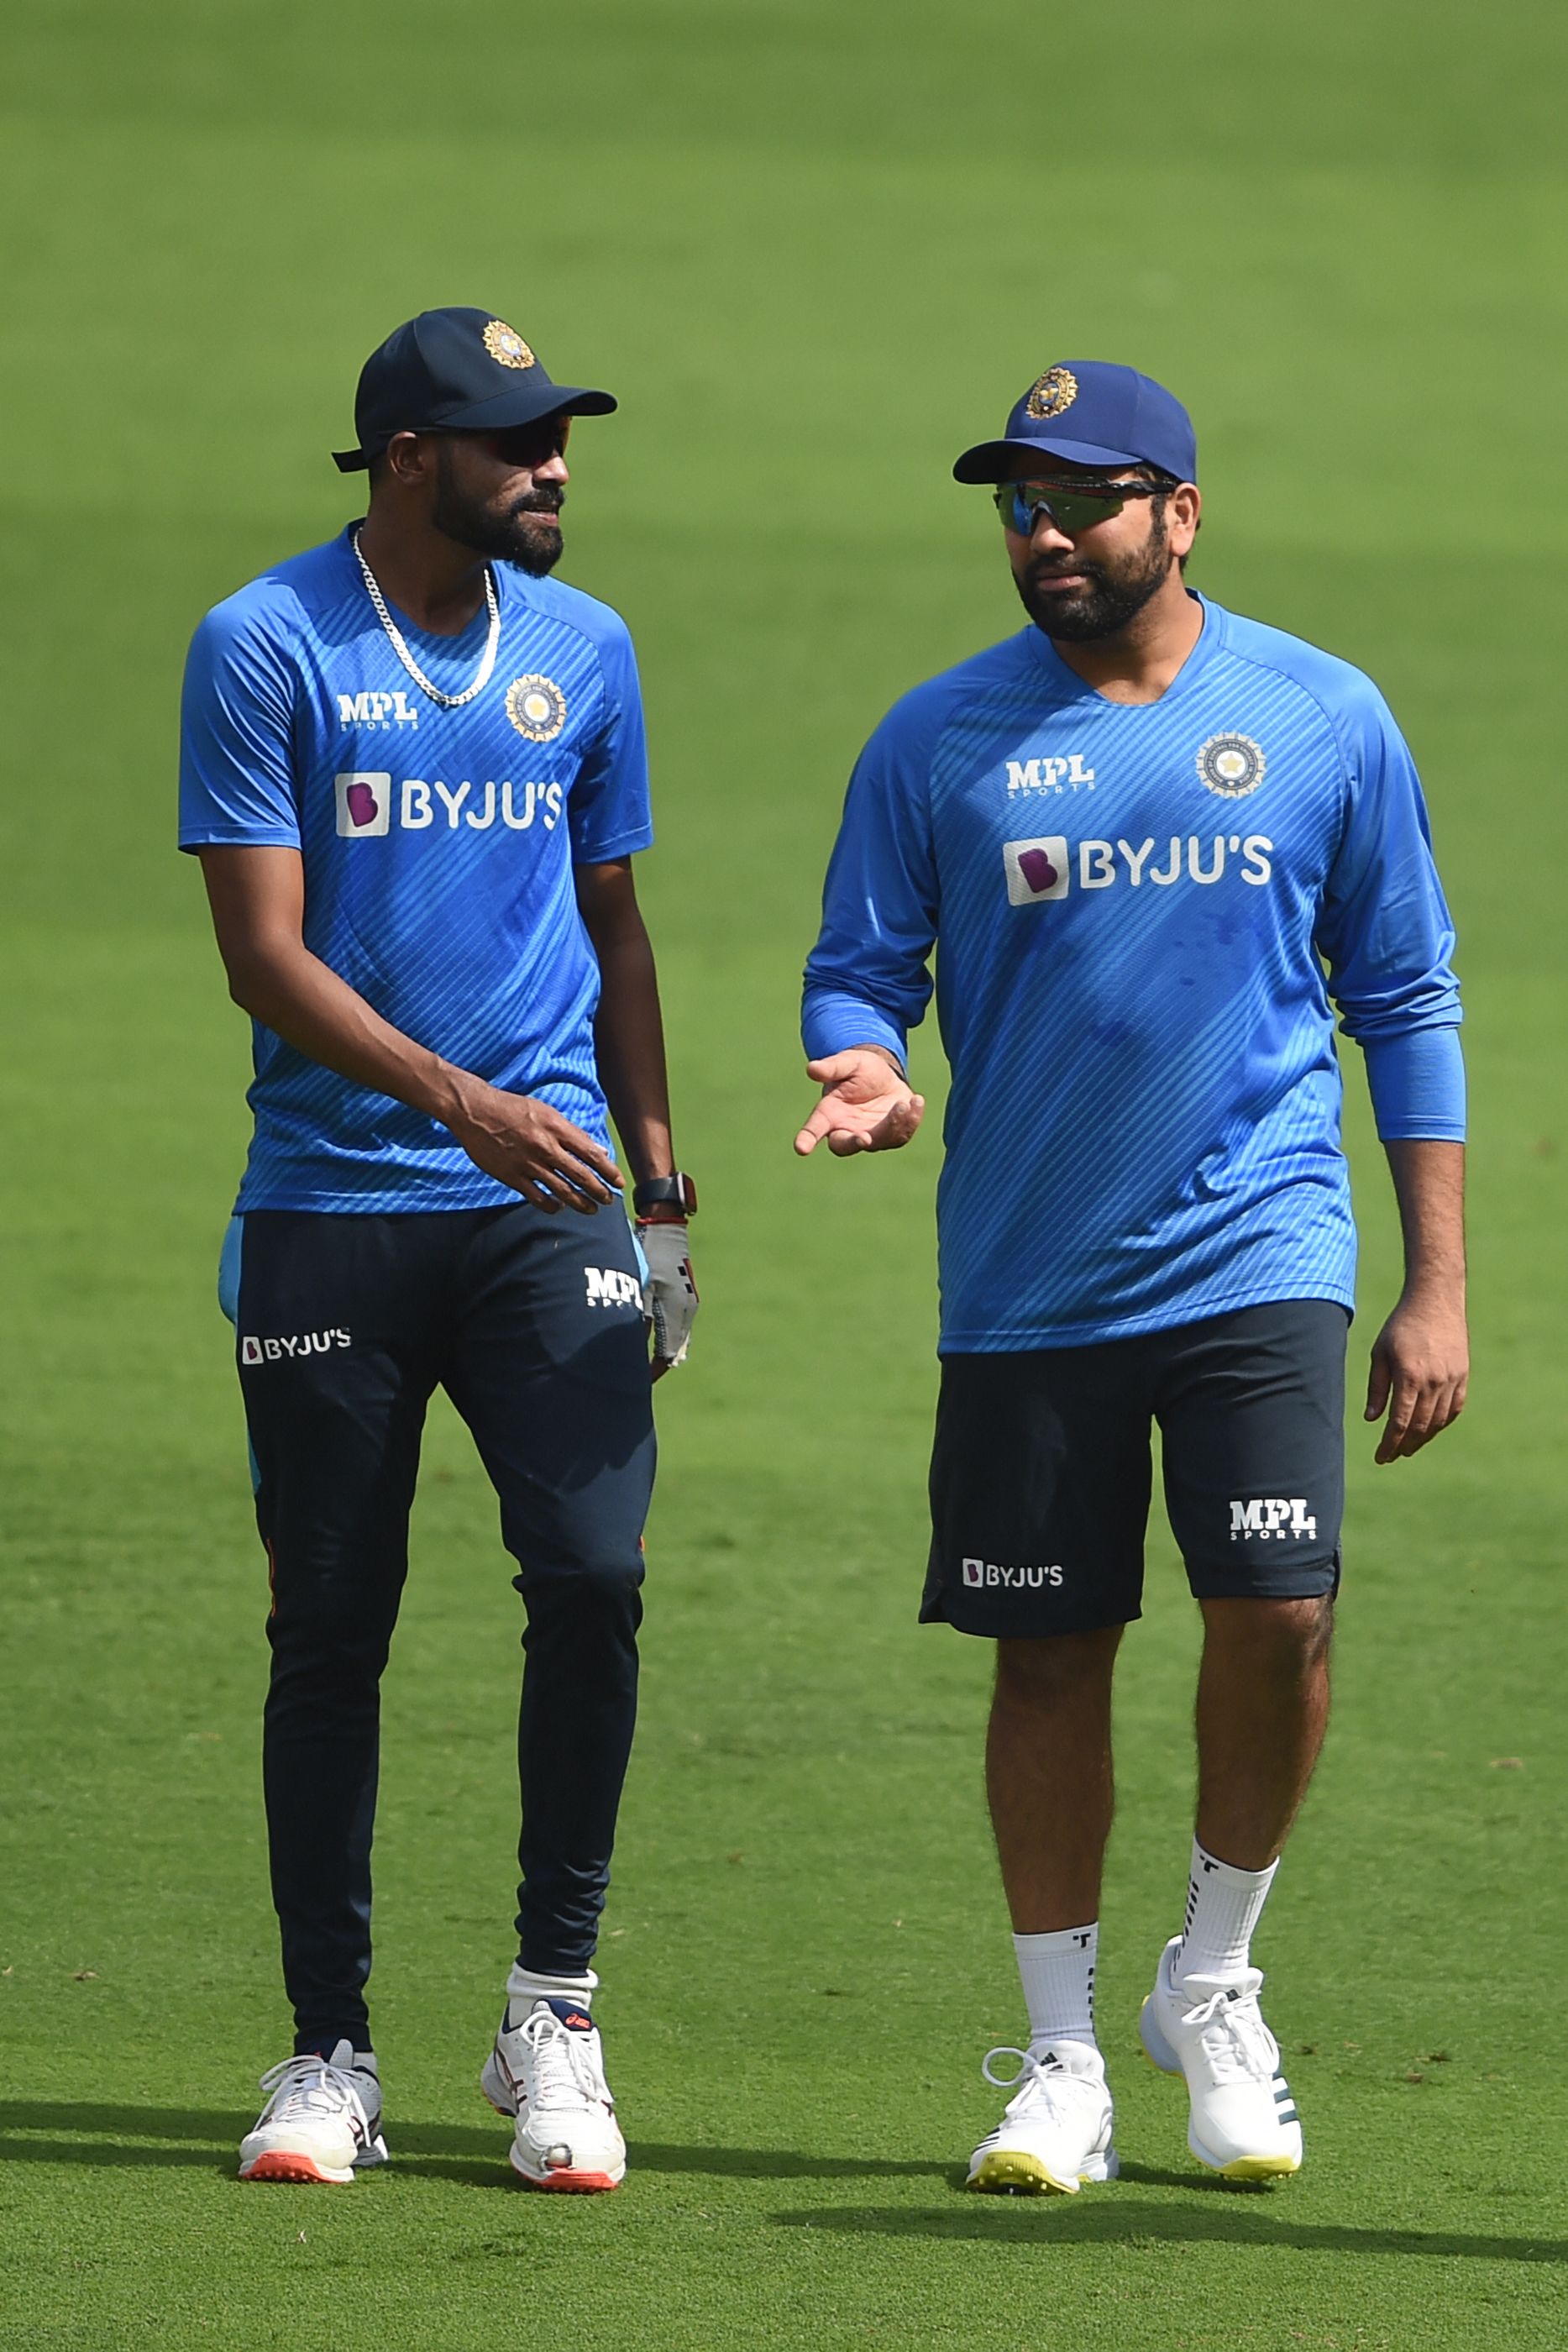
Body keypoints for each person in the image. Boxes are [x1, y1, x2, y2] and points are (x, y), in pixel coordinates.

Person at [796, 361, 1466, 2192]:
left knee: (1281, 1610)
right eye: (1015, 503)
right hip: (1027, 1274)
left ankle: (1215, 1978)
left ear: (1177, 511)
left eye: (1080, 500)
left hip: (1261, 1244)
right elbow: (859, 962)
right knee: (1048, 1654)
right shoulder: (937, 737)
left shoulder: (1320, 717)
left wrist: (1435, 1283)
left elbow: (1402, 997)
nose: (1042, 535)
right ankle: (1065, 2053)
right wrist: (858, 1058)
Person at [180, 307, 699, 2192]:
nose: (551, 465)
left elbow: (615, 924)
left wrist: (653, 1175)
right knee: (328, 1625)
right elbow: (264, 955)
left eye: (559, 437)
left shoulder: (589, 648)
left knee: (593, 1570)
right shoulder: (266, 645)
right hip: (329, 1210)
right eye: (514, 441)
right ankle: (328, 2050)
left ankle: (550, 2012)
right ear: (409, 456)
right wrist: (459, 1099)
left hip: (548, 1209)